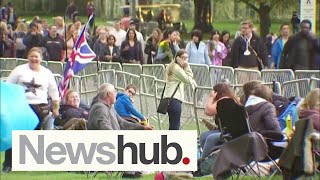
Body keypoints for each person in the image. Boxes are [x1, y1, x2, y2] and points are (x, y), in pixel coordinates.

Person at [3, 47, 60, 174]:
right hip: (21, 107)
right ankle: (8, 164)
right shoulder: (19, 70)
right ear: (28, 57)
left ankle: (29, 163)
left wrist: (56, 109)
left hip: (40, 108)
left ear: (41, 58)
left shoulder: (47, 73)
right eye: (32, 56)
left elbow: (54, 93)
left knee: (33, 138)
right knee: (15, 136)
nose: (34, 59)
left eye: (36, 56)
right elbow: (8, 86)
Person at [87, 83, 153, 130]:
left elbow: (122, 123)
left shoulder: (109, 107)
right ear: (109, 94)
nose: (116, 94)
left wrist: (142, 128)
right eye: (114, 92)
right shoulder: (100, 108)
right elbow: (105, 129)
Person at [200, 83, 240, 158]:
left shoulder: (226, 101)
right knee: (203, 136)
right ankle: (210, 159)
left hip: (231, 133)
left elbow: (208, 111)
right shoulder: (226, 100)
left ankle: (203, 162)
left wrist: (211, 98)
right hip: (224, 130)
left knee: (210, 138)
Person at [163, 49, 197, 130]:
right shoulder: (176, 68)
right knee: (175, 127)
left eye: (186, 58)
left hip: (171, 99)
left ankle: (169, 141)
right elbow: (188, 80)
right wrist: (187, 67)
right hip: (174, 100)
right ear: (177, 58)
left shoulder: (172, 67)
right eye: (183, 58)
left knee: (173, 126)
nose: (185, 60)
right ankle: (171, 142)